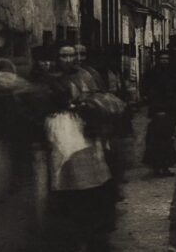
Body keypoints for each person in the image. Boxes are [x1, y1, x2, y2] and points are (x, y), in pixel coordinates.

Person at [42, 44, 115, 252]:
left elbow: (99, 101)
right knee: (68, 184)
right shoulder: (51, 79)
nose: (69, 58)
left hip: (87, 133)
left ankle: (92, 234)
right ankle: (73, 237)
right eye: (63, 55)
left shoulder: (86, 75)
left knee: (92, 186)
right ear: (58, 58)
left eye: (72, 54)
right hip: (62, 133)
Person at [142, 50, 176, 176]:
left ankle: (165, 166)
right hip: (159, 111)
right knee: (157, 139)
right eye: (162, 58)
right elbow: (149, 92)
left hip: (171, 110)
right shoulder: (152, 74)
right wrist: (158, 109)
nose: (164, 61)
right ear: (158, 60)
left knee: (168, 138)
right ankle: (158, 166)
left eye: (166, 59)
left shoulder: (173, 74)